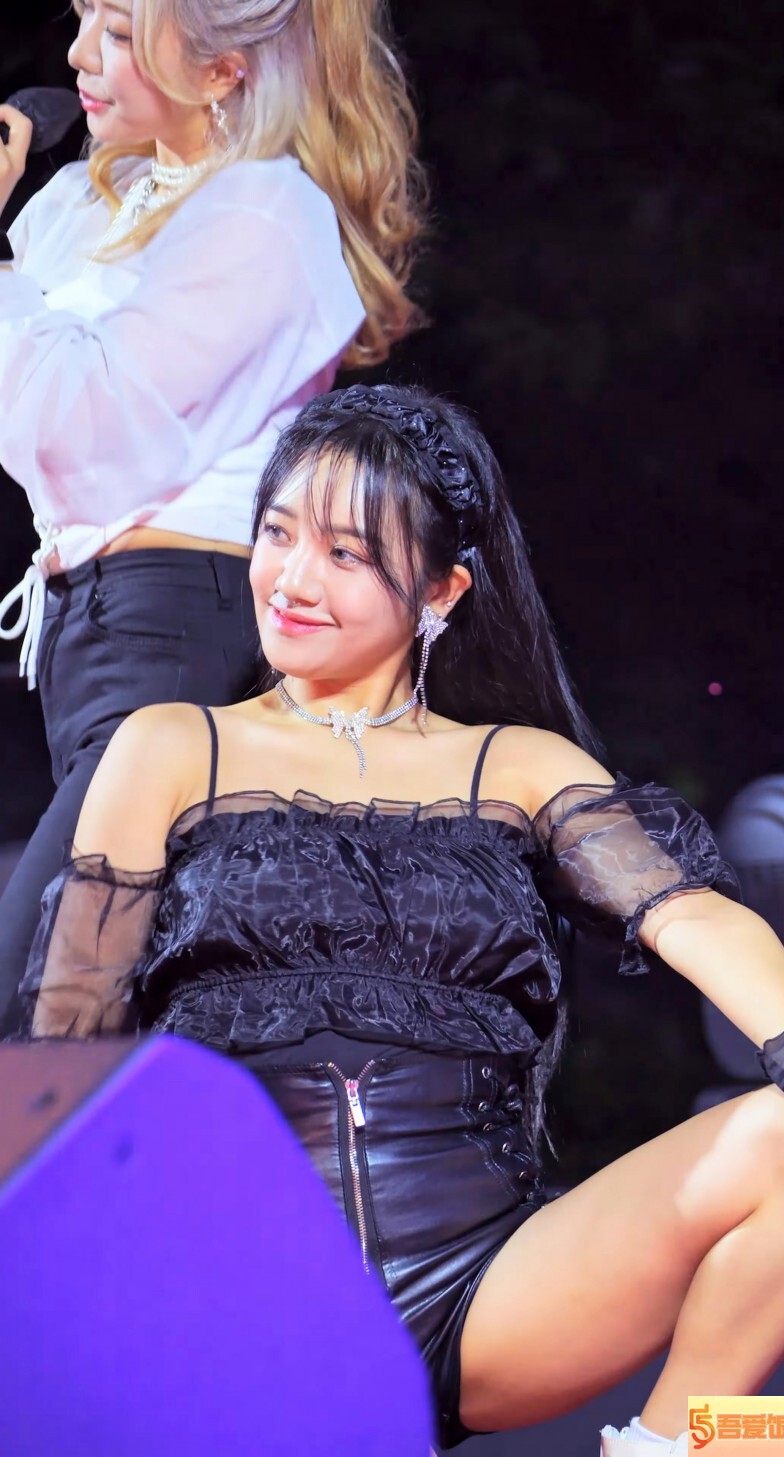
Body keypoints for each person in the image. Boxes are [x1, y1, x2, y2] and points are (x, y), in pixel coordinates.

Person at [22, 384, 784, 1456]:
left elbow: (692, 915)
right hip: (235, 1293)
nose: (292, 579)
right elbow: (71, 1032)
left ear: (443, 589)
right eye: (277, 532)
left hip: (485, 1291)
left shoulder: (520, 767)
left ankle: (684, 1449)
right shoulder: (171, 747)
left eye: (346, 553)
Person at [0, 0, 425, 1028]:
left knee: (38, 1001)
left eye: (117, 31)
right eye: (81, 19)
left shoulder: (264, 214)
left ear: (222, 70)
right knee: (94, 1018)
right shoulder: (76, 203)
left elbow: (83, 433)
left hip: (187, 630)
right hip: (86, 640)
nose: (76, 56)